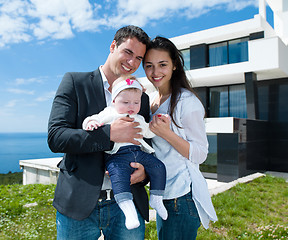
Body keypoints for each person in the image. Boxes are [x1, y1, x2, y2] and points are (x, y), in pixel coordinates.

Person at [48, 25, 151, 240]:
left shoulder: (141, 97)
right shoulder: (75, 82)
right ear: (113, 46)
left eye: (139, 58)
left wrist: (145, 172)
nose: (132, 63)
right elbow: (56, 137)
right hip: (79, 205)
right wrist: (109, 134)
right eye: (128, 52)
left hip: (128, 203)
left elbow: (149, 144)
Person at [143, 36, 218, 240]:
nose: (155, 72)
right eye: (149, 65)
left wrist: (167, 133)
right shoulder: (150, 100)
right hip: (163, 193)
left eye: (162, 65)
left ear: (174, 65)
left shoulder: (187, 102)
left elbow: (200, 154)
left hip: (181, 196)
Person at [82, 75, 167, 230]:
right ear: (114, 101)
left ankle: (156, 197)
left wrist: (157, 125)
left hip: (138, 153)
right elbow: (91, 119)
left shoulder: (139, 117)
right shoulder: (110, 113)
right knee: (119, 179)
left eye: (136, 102)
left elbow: (147, 133)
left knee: (158, 167)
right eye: (125, 102)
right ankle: (129, 213)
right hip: (117, 156)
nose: (131, 106)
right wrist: (91, 123)